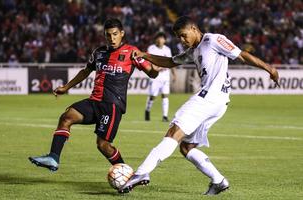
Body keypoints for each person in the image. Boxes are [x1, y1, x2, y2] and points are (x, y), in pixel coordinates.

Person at [119, 16, 279, 195]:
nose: (182, 40)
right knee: (186, 148)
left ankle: (141, 173)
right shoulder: (193, 51)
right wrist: (145, 55)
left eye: (183, 35)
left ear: (194, 29)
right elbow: (170, 62)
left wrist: (269, 69)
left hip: (210, 97)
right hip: (218, 102)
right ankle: (218, 181)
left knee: (174, 132)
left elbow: (241, 55)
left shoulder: (212, 40)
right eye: (179, 37)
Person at [28, 18, 159, 172]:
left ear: (122, 34)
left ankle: (128, 175)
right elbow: (85, 71)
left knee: (103, 145)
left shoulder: (131, 52)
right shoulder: (99, 52)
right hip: (94, 101)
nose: (112, 38)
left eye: (115, 34)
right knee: (66, 117)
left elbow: (152, 74)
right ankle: (53, 157)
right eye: (108, 35)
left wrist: (155, 68)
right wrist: (66, 87)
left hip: (112, 105)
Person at [145, 32, 176, 122]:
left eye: (162, 38)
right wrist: (156, 67)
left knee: (165, 95)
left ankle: (165, 116)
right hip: (155, 76)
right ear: (156, 39)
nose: (160, 40)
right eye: (158, 38)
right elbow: (149, 60)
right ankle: (147, 110)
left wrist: (174, 74)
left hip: (165, 76)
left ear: (165, 40)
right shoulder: (151, 48)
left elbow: (171, 62)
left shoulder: (167, 49)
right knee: (153, 96)